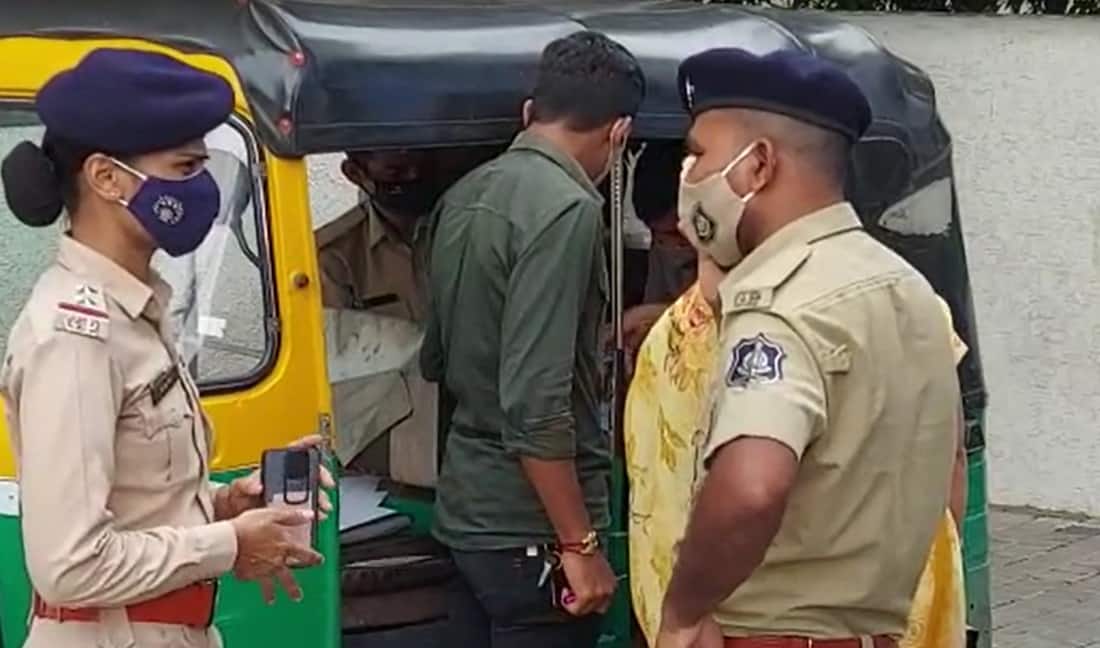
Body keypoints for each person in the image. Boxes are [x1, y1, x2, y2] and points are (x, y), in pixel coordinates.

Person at [0, 49, 332, 648]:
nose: (202, 189)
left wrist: (225, 506)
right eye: (184, 168)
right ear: (106, 178)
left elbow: (135, 507)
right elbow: (68, 565)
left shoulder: (137, 311)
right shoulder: (75, 337)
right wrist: (230, 545)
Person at [654, 48, 959, 648]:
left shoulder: (781, 304)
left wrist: (684, 610)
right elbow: (948, 470)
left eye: (699, 155)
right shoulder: (911, 291)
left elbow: (752, 488)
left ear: (757, 165)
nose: (688, 176)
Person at [419, 30, 644, 647]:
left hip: (466, 511)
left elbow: (437, 356)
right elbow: (536, 404)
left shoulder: (464, 195)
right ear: (619, 133)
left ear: (529, 113)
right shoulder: (569, 208)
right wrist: (580, 543)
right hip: (531, 529)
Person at [623, 265, 969, 647]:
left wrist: (680, 617)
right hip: (889, 613)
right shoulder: (909, 305)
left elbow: (658, 507)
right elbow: (950, 457)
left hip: (724, 622)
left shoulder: (669, 340)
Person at [314, 148, 446, 485]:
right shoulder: (333, 257)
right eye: (396, 171)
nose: (414, 177)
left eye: (421, 163)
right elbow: (336, 378)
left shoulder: (466, 228)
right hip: (384, 451)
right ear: (355, 174)